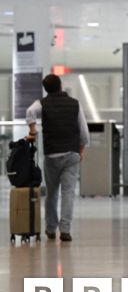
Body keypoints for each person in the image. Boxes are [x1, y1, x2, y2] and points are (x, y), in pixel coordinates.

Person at [25, 74, 90, 242]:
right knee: (68, 192)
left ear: (46, 89)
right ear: (60, 85)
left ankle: (51, 229)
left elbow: (30, 111)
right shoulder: (75, 104)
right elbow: (83, 132)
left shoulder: (43, 103)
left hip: (52, 154)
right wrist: (81, 150)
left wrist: (32, 130)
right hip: (71, 154)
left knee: (52, 193)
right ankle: (66, 230)